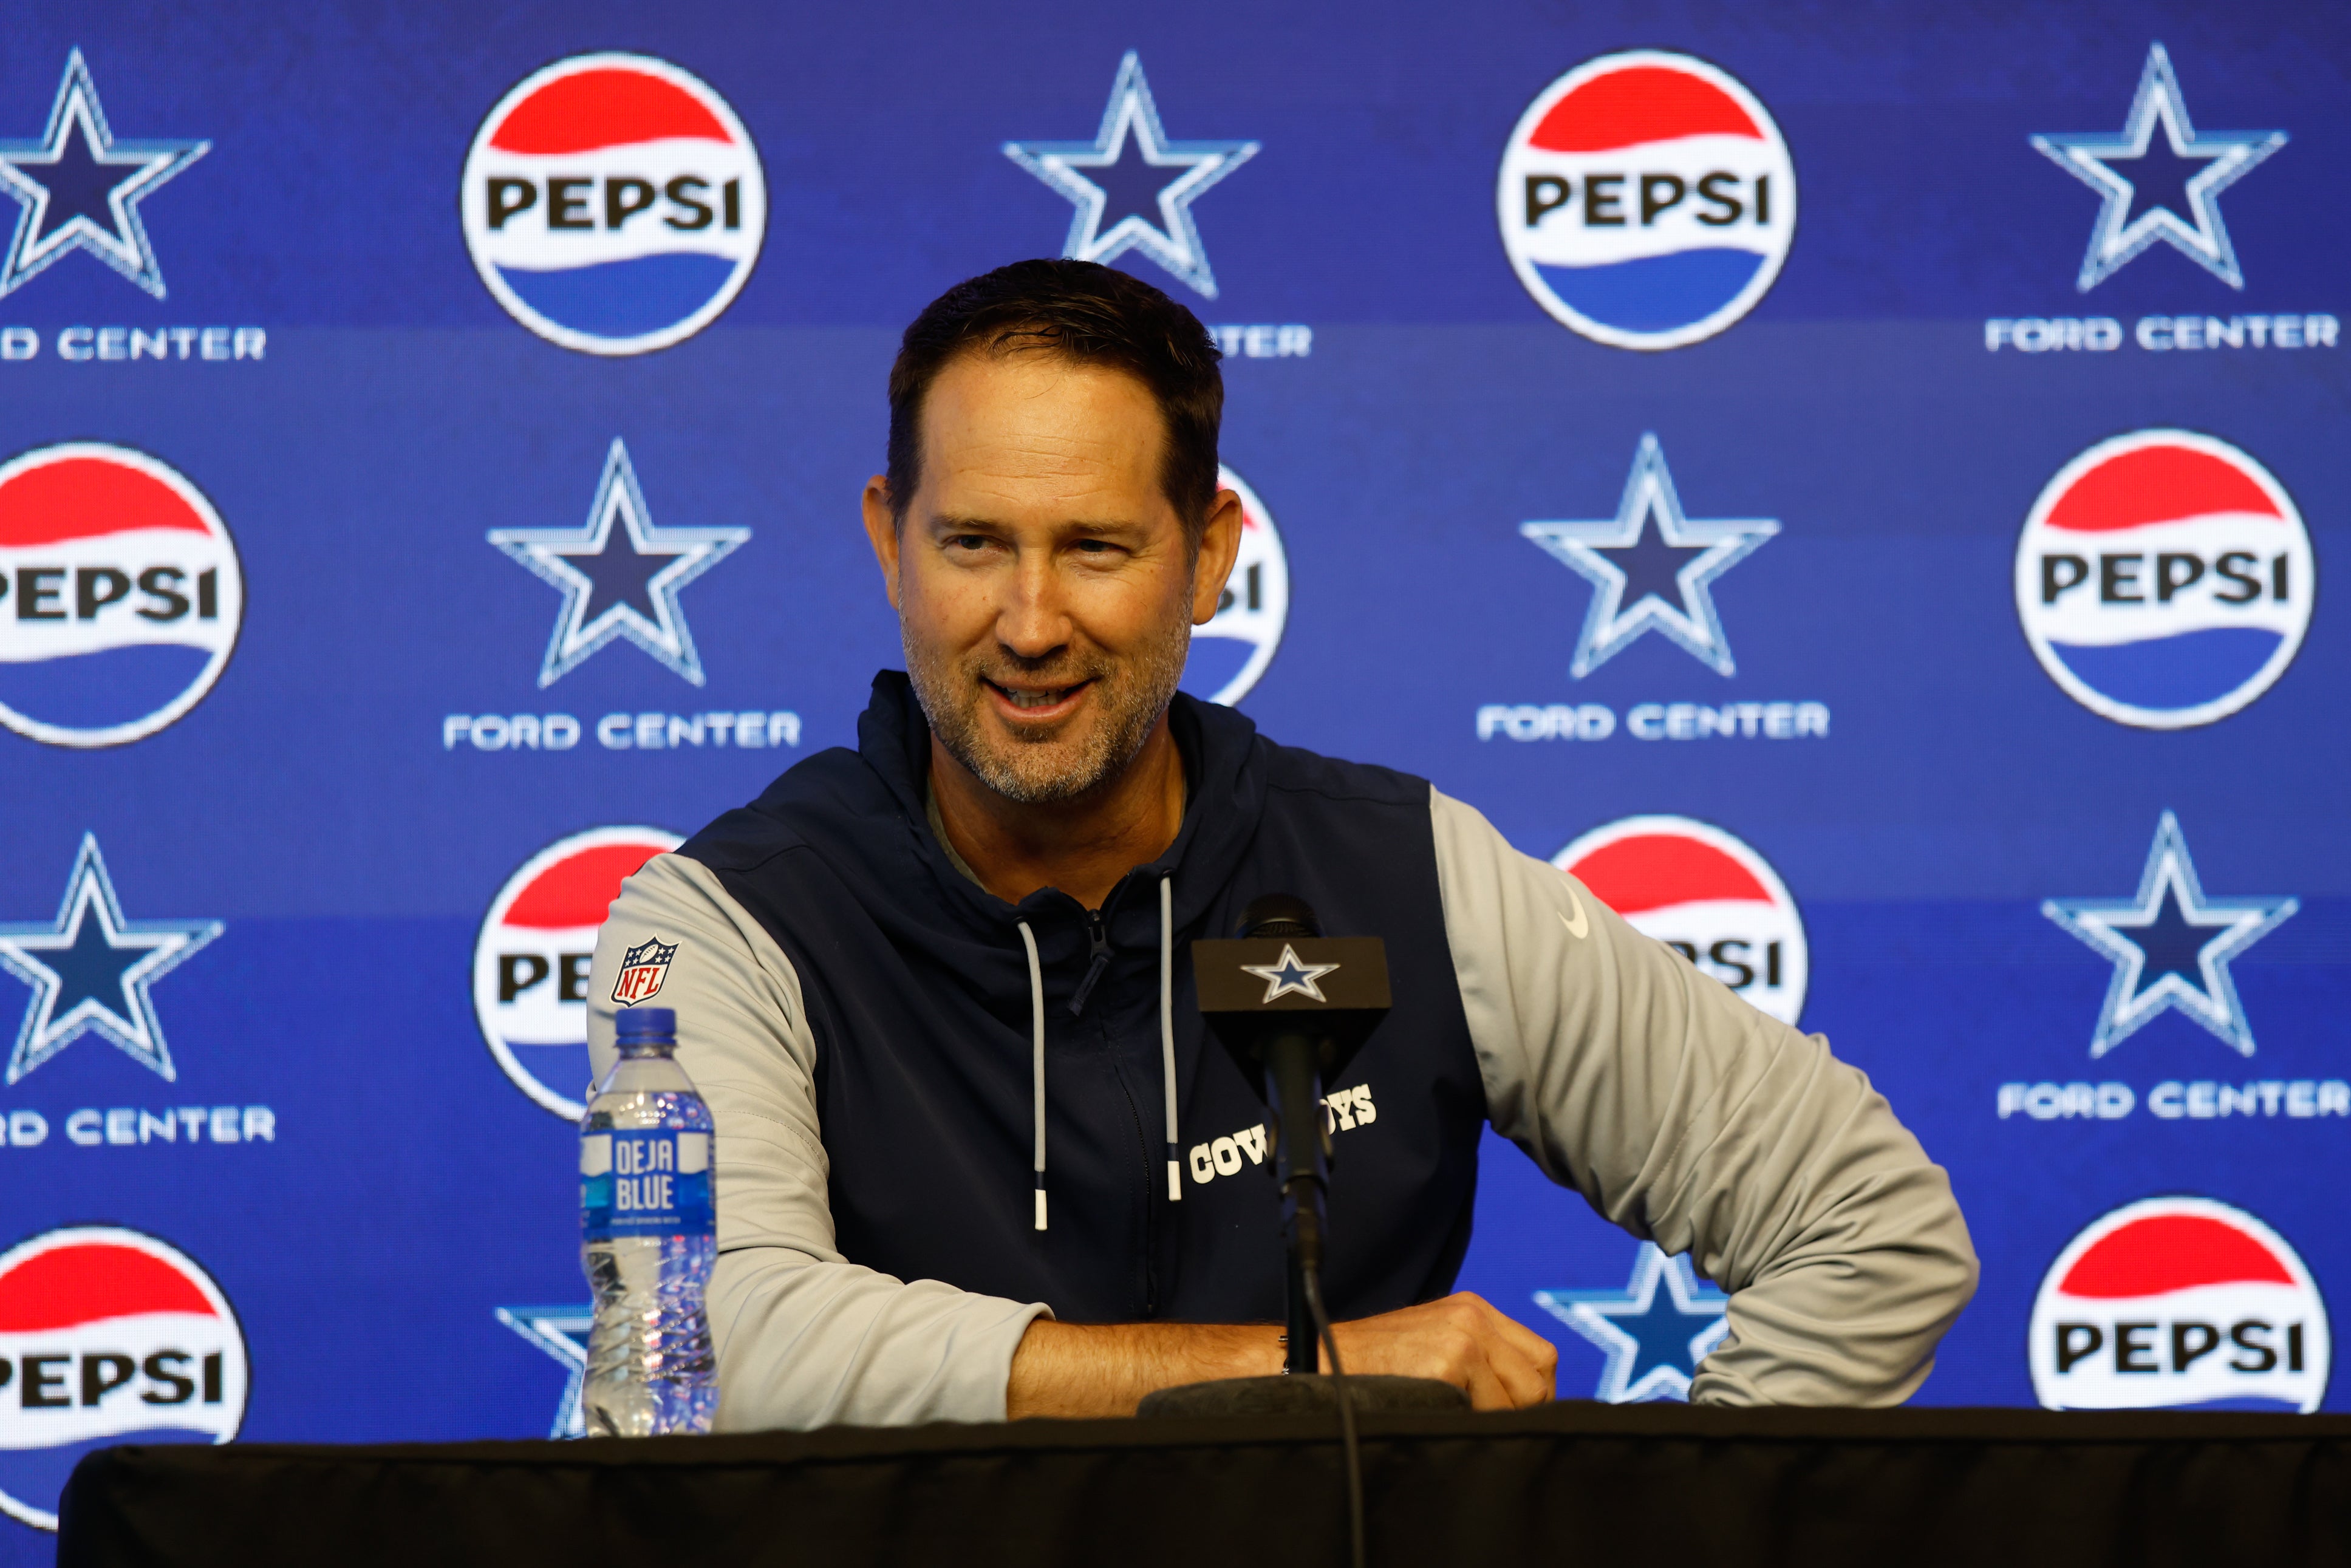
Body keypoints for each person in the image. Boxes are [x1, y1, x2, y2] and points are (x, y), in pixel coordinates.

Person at [587, 259, 1976, 1428]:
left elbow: (1868, 1222)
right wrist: (1310, 1375)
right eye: (970, 543)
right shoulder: (715, 924)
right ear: (890, 543)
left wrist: (1648, 1529)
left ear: (1208, 556)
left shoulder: (1403, 874)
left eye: (1095, 547)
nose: (1025, 620)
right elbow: (698, 1345)